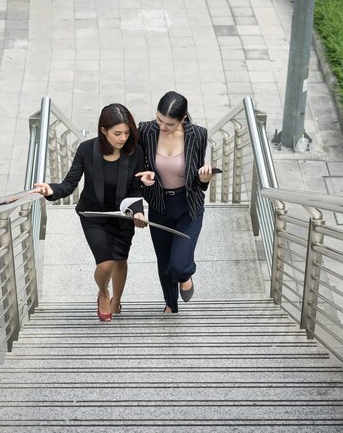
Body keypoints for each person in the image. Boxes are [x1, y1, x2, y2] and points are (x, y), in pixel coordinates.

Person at [31, 103, 147, 322]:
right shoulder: (86, 149)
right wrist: (50, 190)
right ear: (103, 130)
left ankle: (117, 300)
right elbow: (69, 184)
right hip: (94, 216)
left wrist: (138, 213)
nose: (122, 138)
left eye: (126, 132)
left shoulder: (135, 152)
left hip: (123, 216)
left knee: (121, 260)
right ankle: (103, 292)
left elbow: (135, 188)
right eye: (117, 133)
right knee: (106, 263)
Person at [135, 91, 214, 314]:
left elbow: (196, 177)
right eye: (159, 119)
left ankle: (184, 274)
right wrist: (146, 179)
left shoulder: (198, 135)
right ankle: (170, 304)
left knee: (178, 264)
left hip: (188, 206)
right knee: (163, 260)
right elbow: (138, 164)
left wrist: (204, 179)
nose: (161, 126)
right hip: (160, 204)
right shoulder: (146, 130)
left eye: (168, 123)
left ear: (183, 119)